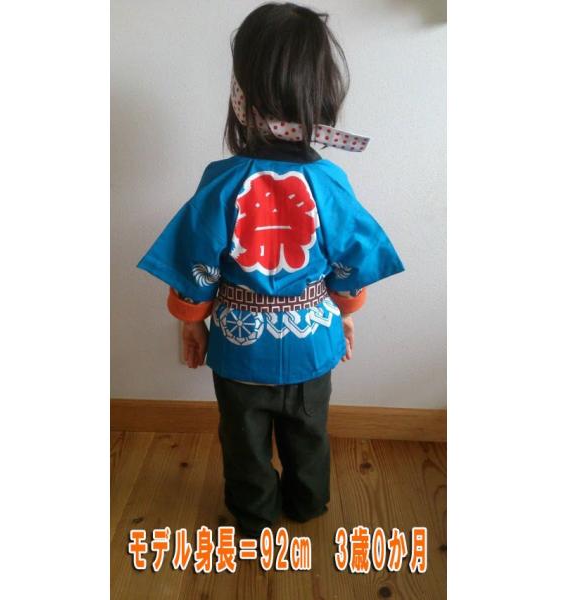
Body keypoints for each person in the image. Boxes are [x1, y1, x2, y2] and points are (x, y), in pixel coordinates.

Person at [137, 2, 404, 538]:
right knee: (310, 432)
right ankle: (308, 502)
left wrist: (191, 322)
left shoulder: (222, 181)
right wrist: (346, 313)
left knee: (243, 441)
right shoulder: (329, 183)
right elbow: (351, 261)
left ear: (240, 99)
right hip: (312, 342)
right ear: (323, 96)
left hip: (240, 348)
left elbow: (196, 263)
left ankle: (256, 518)